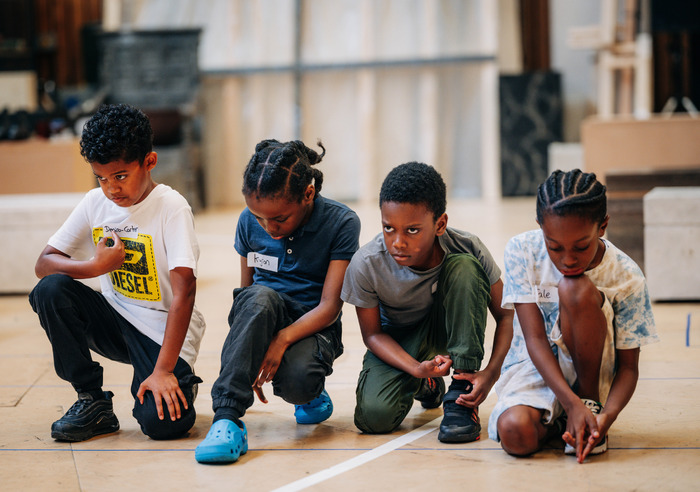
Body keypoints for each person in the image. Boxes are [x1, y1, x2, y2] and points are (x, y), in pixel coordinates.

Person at [29, 103, 205, 442]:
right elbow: (44, 264)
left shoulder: (172, 207)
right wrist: (95, 267)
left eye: (121, 176)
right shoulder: (96, 202)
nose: (112, 188)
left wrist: (165, 370)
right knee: (50, 290)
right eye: (102, 178)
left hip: (160, 330)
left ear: (149, 162)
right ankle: (92, 400)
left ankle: (178, 380)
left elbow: (186, 293)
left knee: (164, 424)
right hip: (114, 318)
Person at [195, 139, 361, 464]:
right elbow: (245, 293)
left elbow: (330, 307)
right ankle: (227, 419)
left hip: (313, 325)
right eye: (259, 218)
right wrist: (250, 344)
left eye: (280, 219)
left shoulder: (342, 223)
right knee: (259, 297)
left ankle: (308, 391)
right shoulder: (247, 221)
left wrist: (281, 340)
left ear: (308, 195)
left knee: (299, 382)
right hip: (260, 311)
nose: (268, 228)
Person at [488, 169, 659, 463]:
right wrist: (570, 404)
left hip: (591, 378)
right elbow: (534, 339)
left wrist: (605, 415)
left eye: (581, 246)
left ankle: (587, 410)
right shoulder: (522, 251)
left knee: (574, 288)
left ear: (602, 226)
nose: (567, 259)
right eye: (554, 246)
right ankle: (559, 420)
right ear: (540, 227)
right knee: (515, 435)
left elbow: (629, 368)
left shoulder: (627, 277)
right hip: (536, 367)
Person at [341, 162, 513, 443]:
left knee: (466, 268)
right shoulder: (366, 263)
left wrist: (490, 373)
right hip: (399, 340)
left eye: (411, 230)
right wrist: (416, 369)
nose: (397, 242)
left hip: (450, 331)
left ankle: (460, 393)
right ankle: (427, 381)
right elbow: (372, 334)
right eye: (388, 228)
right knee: (374, 418)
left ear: (440, 224)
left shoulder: (467, 245)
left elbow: (506, 315)